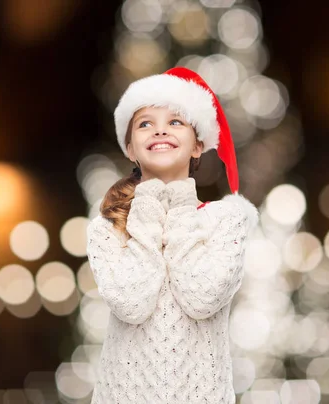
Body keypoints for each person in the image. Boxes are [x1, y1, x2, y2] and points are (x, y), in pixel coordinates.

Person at [86, 67, 258, 404]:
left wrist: (179, 203)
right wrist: (148, 205)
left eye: (176, 121)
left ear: (198, 146)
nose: (160, 130)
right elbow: (132, 303)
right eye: (145, 123)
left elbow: (201, 297)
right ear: (131, 149)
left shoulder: (227, 220)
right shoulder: (108, 228)